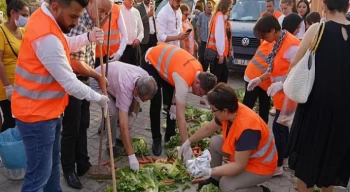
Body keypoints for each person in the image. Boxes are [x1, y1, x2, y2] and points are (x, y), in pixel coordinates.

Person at [11, 0, 109, 191]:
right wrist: (99, 98)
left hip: (47, 112)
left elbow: (64, 43)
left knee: (51, 170)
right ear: (56, 7)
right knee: (38, 177)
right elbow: (70, 83)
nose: (75, 22)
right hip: (36, 117)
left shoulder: (45, 19)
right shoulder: (46, 36)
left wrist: (88, 37)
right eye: (73, 16)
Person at [287, 0, 350, 190]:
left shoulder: (317, 29)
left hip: (315, 107)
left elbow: (295, 64)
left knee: (307, 162)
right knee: (332, 161)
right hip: (345, 110)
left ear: (324, 6)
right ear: (347, 7)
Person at [179, 83, 277, 192]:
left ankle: (261, 190)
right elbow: (208, 129)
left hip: (261, 166)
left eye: (213, 109)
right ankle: (214, 180)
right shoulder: (230, 111)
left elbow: (238, 166)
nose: (211, 112)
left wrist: (210, 171)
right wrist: (188, 142)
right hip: (245, 156)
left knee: (226, 185)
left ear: (225, 111)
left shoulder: (247, 129)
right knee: (215, 142)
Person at [60, 0, 113, 189]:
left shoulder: (93, 22)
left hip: (84, 80)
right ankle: (68, 169)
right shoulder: (81, 22)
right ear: (92, 3)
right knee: (71, 128)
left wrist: (103, 20)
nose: (104, 16)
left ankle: (82, 164)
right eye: (102, 11)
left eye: (107, 13)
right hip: (73, 82)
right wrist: (97, 75)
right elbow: (73, 61)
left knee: (83, 123)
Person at [142, 43, 217, 156]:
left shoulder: (199, 71)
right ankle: (156, 139)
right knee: (156, 100)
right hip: (151, 61)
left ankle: (170, 135)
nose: (200, 96)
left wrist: (173, 104)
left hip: (169, 68)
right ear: (197, 82)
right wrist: (186, 146)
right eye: (201, 92)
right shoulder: (183, 79)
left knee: (170, 102)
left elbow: (178, 92)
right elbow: (180, 116)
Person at [248, 14, 300, 176]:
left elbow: (298, 72)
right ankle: (284, 158)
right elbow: (272, 68)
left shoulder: (291, 45)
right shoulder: (278, 42)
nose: (264, 39)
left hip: (288, 95)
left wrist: (282, 84)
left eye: (265, 36)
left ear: (273, 30)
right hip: (280, 95)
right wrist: (259, 78)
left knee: (279, 129)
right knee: (282, 129)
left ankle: (278, 165)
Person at [90, 61, 157, 172]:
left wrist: (133, 115)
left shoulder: (145, 77)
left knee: (125, 112)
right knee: (113, 113)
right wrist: (132, 156)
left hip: (114, 81)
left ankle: (120, 138)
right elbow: (123, 125)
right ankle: (111, 145)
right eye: (143, 99)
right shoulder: (125, 88)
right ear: (136, 90)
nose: (143, 102)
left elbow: (136, 99)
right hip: (98, 81)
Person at [0, 0, 28, 132]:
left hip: (21, 85)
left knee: (20, 121)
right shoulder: (1, 31)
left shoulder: (23, 31)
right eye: (24, 14)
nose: (26, 18)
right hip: (6, 88)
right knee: (10, 121)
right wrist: (7, 87)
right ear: (13, 13)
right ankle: (5, 147)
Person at [207, 0, 234, 83]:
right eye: (230, 6)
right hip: (218, 56)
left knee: (220, 79)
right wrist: (221, 54)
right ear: (226, 6)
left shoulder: (221, 18)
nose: (230, 8)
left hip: (220, 55)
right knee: (219, 80)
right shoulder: (219, 17)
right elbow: (219, 37)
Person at [120, 0, 144, 65]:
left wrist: (139, 39)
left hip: (135, 49)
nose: (131, 1)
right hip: (123, 50)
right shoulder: (119, 11)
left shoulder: (136, 12)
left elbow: (141, 29)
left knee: (136, 71)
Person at [196, 2, 213, 72]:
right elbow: (198, 26)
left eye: (211, 7)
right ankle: (200, 71)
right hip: (203, 40)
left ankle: (205, 71)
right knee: (201, 57)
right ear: (205, 8)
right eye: (208, 7)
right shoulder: (201, 15)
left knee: (208, 58)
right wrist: (198, 37)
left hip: (210, 42)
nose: (210, 9)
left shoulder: (213, 16)